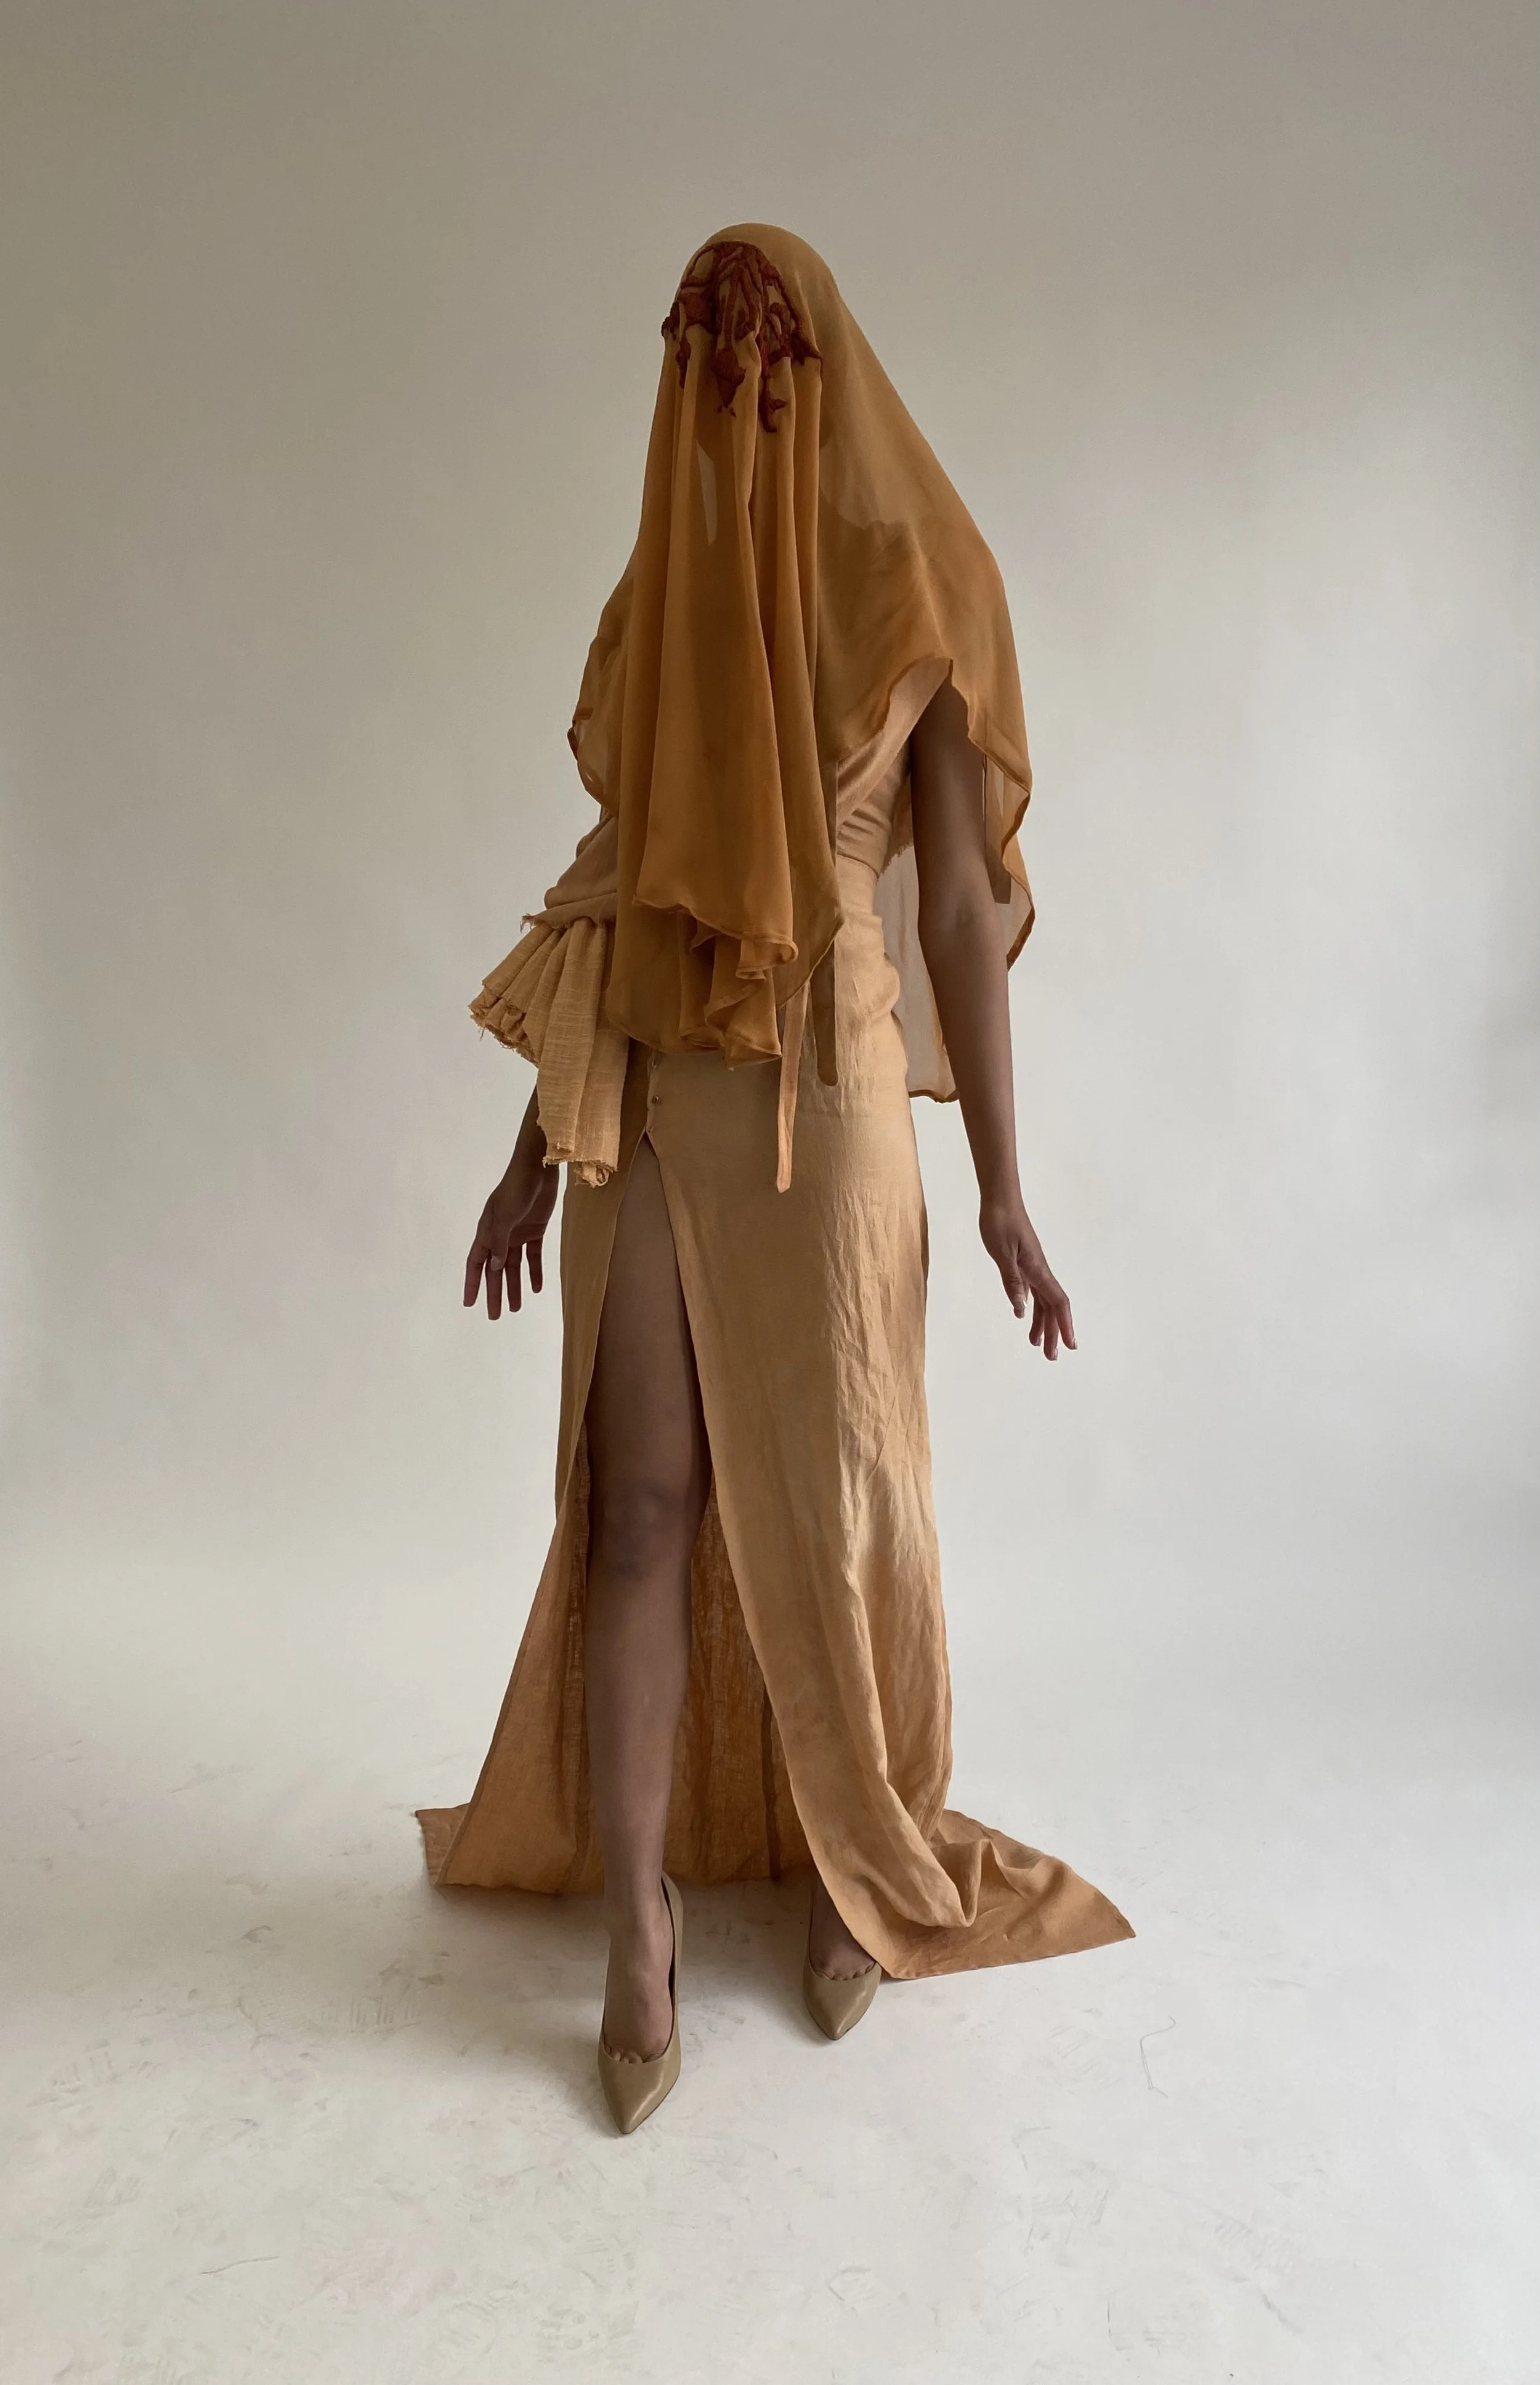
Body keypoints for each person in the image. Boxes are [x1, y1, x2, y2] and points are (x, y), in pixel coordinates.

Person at [419, 225, 1132, 2134]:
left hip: (835, 1091)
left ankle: (848, 1854)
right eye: (698, 353)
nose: (729, 385)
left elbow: (960, 908)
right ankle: (636, 1928)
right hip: (656, 1094)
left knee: (843, 1508)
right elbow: (613, 894)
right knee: (638, 1505)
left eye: (758, 349)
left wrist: (1001, 1182)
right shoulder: (660, 595)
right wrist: (528, 1150)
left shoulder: (926, 578)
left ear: (818, 361)